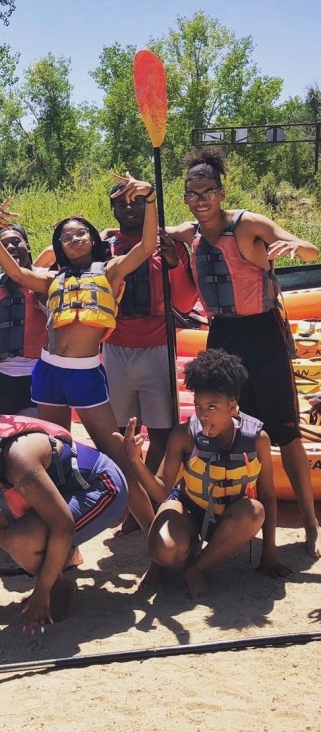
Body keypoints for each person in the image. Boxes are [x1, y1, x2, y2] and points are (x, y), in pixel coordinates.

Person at [168, 148, 321, 557]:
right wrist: (142, 199)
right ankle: (227, 516)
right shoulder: (189, 233)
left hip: (262, 332)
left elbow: (308, 248)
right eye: (193, 194)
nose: (201, 200)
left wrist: (295, 248)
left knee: (286, 430)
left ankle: (310, 523)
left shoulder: (248, 223)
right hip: (222, 334)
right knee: (226, 423)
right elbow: (156, 232)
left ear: (221, 192)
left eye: (208, 192)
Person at [0, 180, 157, 534]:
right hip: (49, 372)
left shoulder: (109, 271)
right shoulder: (52, 279)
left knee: (118, 455)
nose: (75, 239)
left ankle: (153, 533)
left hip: (85, 374)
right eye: (66, 236)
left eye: (80, 233)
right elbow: (15, 273)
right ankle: (64, 536)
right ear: (58, 246)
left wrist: (150, 199)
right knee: (55, 454)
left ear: (92, 238)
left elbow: (146, 247)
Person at [0, 401, 128, 632]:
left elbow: (63, 526)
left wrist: (41, 592)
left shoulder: (18, 459)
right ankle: (61, 567)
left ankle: (58, 587)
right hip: (63, 493)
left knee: (22, 541)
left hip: (103, 487)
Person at [118, 348, 292, 598]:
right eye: (198, 406)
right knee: (164, 553)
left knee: (255, 510)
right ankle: (183, 548)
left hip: (228, 516)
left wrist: (270, 553)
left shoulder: (257, 439)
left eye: (212, 407)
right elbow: (161, 491)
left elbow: (267, 494)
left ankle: (197, 568)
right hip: (188, 507)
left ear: (232, 407)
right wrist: (135, 461)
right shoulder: (184, 435)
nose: (202, 415)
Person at [102, 183, 198, 477]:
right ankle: (128, 488)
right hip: (115, 349)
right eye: (122, 204)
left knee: (162, 434)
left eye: (137, 201)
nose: (129, 208)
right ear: (113, 210)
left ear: (149, 205)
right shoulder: (104, 248)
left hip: (158, 348)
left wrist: (173, 263)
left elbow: (185, 303)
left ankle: (149, 488)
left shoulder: (170, 246)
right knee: (119, 430)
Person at [0, 223, 48, 417]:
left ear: (27, 246)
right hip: (4, 378)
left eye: (15, 242)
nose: (10, 248)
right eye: (3, 245)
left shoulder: (45, 279)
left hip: (40, 373)